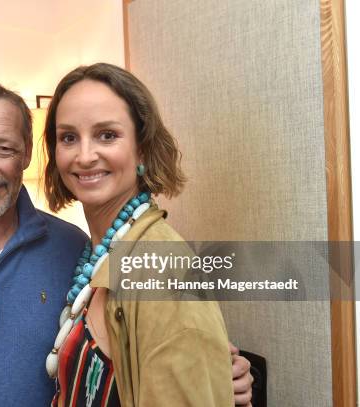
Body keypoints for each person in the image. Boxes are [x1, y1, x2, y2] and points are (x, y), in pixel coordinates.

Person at [0, 81, 252, 406]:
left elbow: (139, 349)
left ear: (28, 155)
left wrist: (217, 370)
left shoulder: (76, 250)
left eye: (3, 148)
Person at [42, 63, 242, 406]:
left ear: (143, 148)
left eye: (107, 135)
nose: (85, 155)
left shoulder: (162, 267)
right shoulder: (95, 253)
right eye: (68, 137)